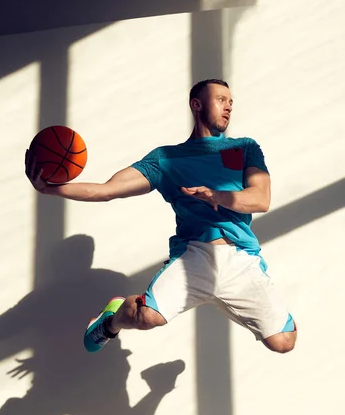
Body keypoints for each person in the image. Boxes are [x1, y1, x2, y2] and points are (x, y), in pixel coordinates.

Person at [25, 79, 296, 354]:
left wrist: (217, 196)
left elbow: (261, 199)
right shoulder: (165, 159)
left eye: (231, 102)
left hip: (240, 258)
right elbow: (108, 190)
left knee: (283, 342)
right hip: (196, 256)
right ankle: (110, 320)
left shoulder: (245, 148)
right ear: (197, 104)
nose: (228, 107)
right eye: (221, 100)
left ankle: (240, 303)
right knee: (147, 317)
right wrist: (52, 188)